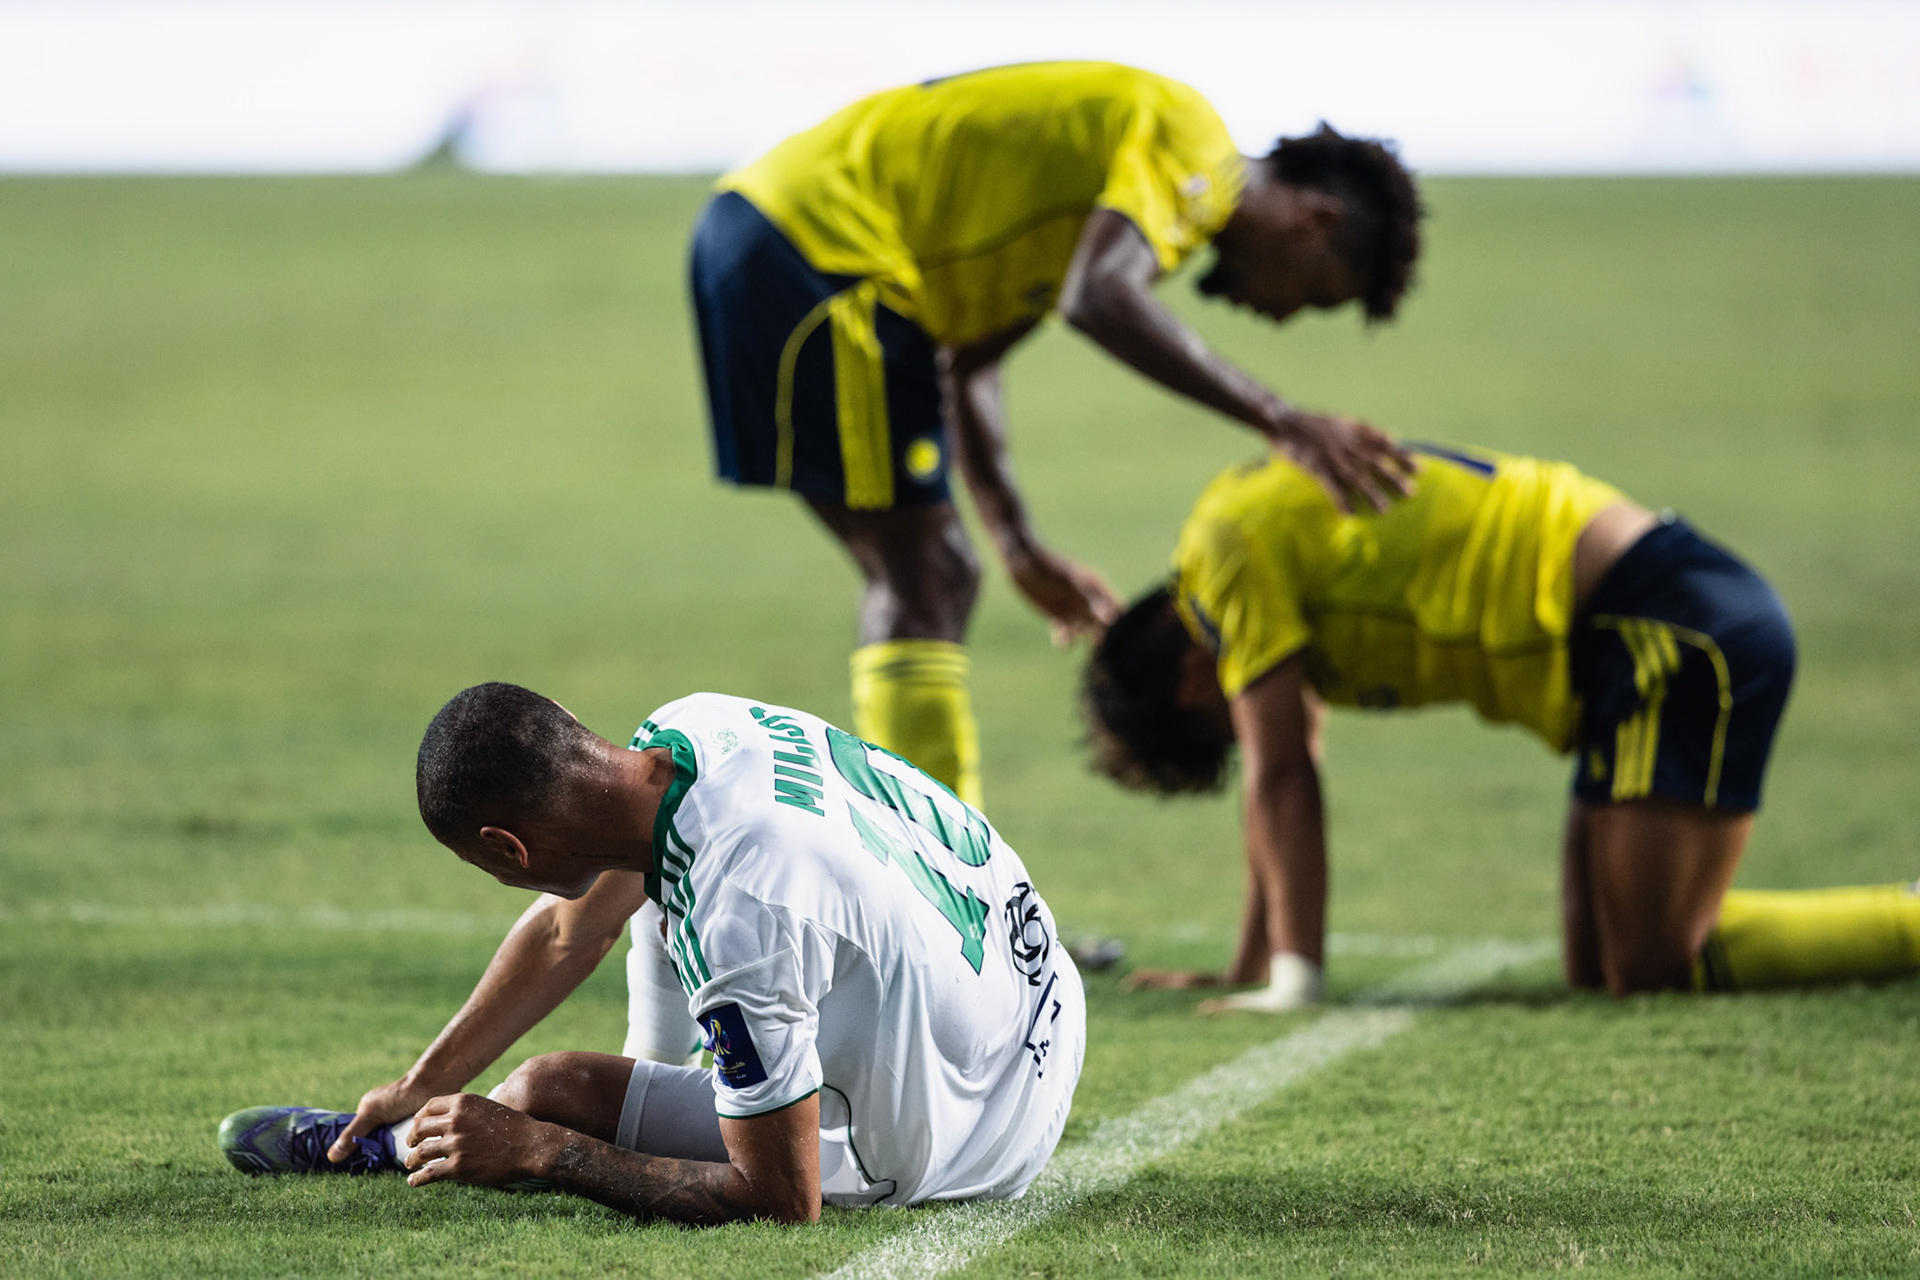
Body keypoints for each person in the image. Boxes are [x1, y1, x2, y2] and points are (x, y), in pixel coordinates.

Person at [691, 60, 1423, 815]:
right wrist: (1282, 418)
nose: (1283, 315)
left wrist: (1017, 543)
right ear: (1316, 221)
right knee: (926, 577)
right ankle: (936, 871)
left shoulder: (1100, 202)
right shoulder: (1193, 145)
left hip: (778, 231)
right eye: (1314, 295)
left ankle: (928, 860)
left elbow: (966, 361)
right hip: (819, 250)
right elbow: (1099, 297)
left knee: (930, 574)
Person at [1083, 443, 1920, 1006]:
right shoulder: (1228, 549)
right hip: (1631, 639)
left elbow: (1282, 772)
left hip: (1669, 626)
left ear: (1190, 682)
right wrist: (1251, 966)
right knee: (1598, 969)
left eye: (1216, 733)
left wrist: (1293, 982)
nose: (1238, 734)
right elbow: (1282, 775)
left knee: (1654, 964)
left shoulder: (1225, 554)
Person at [219, 683, 1082, 1222]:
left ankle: (406, 1144)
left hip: (976, 1131)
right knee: (658, 890)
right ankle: (638, 1090)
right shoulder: (691, 727)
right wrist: (425, 1079)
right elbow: (569, 930)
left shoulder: (742, 907)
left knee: (550, 1090)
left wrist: (542, 1148)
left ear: (506, 850)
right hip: (1038, 1003)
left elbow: (783, 1200)